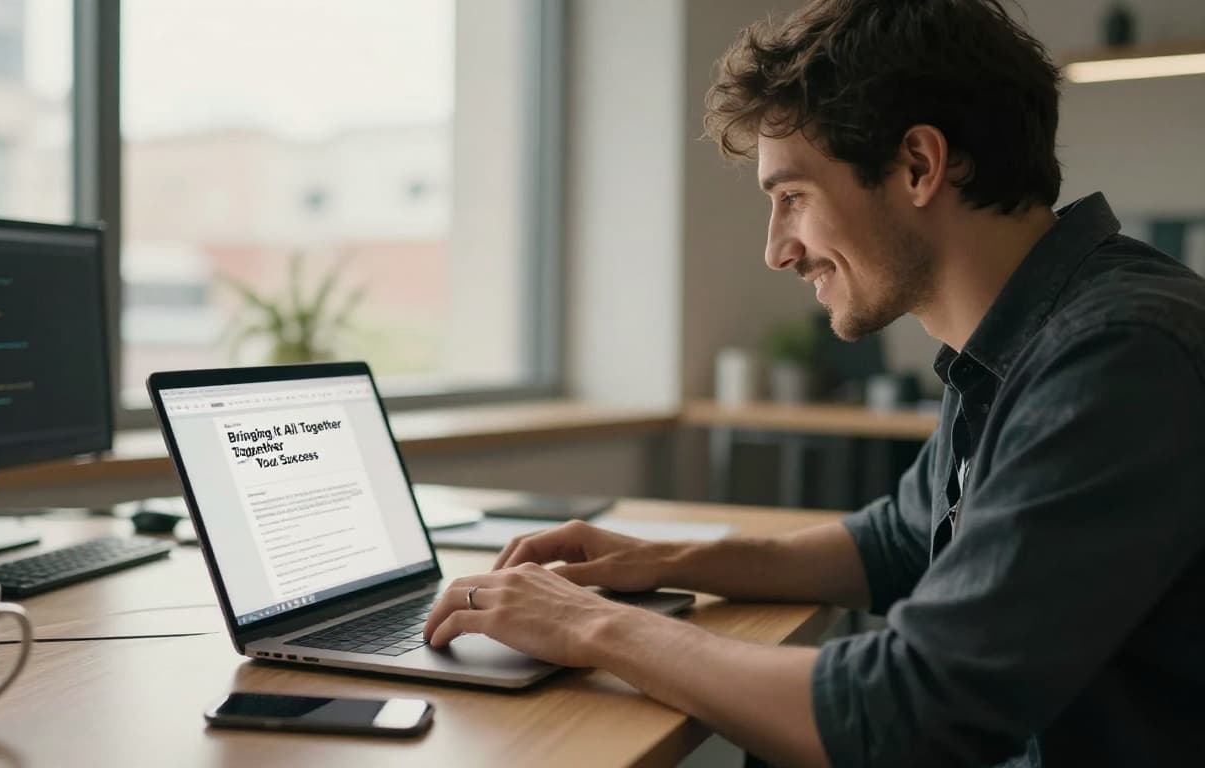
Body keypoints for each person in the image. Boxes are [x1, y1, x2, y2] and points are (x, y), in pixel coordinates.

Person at [423, 1, 1205, 765]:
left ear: (918, 166)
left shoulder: (1116, 355)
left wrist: (593, 627)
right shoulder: (1027, 335)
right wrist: (658, 561)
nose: (777, 249)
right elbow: (895, 539)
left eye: (793, 197)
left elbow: (914, 713)